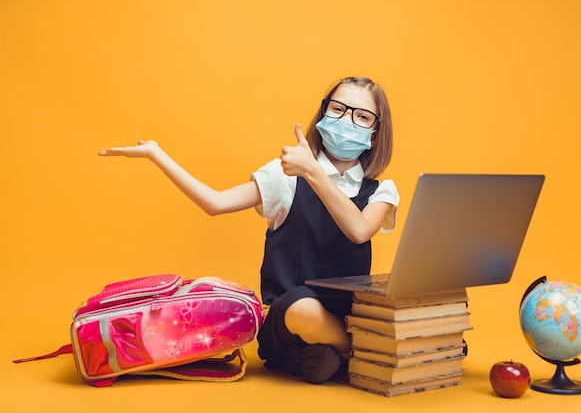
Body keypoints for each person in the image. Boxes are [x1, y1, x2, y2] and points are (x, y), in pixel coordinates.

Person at [98, 76, 399, 384]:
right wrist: (156, 154)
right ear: (323, 115)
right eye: (337, 109)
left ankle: (318, 359)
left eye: (362, 116)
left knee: (327, 357)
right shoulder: (286, 177)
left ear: (376, 134)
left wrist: (312, 170)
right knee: (304, 309)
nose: (347, 120)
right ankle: (362, 356)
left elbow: (359, 230)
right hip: (289, 317)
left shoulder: (381, 192)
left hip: (348, 317)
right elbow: (214, 202)